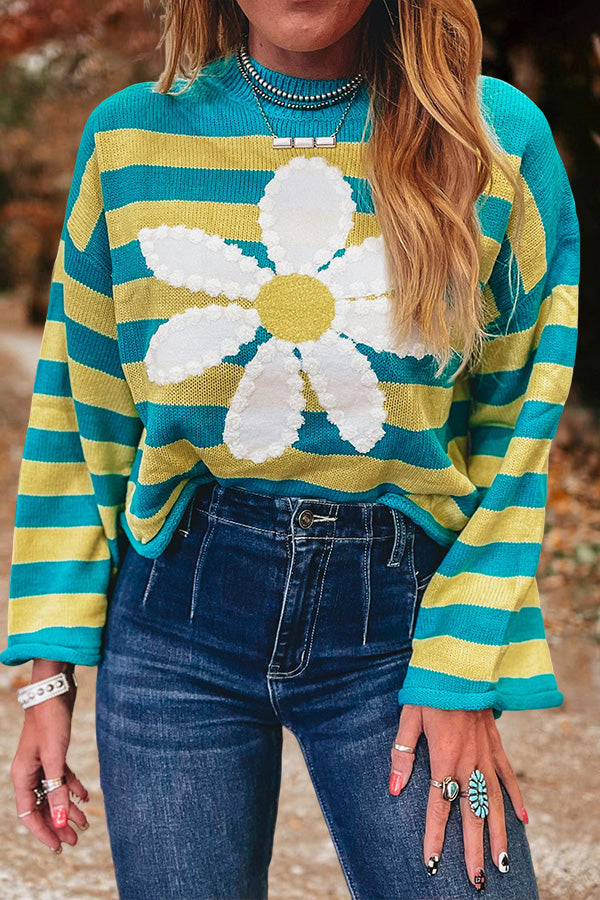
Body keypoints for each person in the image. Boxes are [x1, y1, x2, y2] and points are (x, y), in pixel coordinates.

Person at [2, 1, 579, 898]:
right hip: (172, 627)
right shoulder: (127, 140)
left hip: (400, 626)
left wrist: (464, 672)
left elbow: (520, 423)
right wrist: (48, 675)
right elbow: (82, 417)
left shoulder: (493, 136)